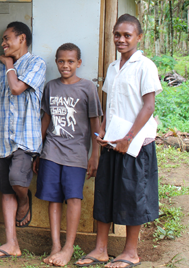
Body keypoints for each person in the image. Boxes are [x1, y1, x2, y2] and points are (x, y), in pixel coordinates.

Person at [75, 14, 162, 268]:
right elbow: (110, 106)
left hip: (134, 144)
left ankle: (130, 252)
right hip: (112, 141)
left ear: (139, 37)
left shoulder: (145, 66)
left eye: (127, 35)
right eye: (117, 34)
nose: (121, 39)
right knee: (105, 192)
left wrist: (128, 138)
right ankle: (101, 249)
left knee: (133, 195)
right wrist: (102, 131)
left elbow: (148, 106)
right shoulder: (114, 68)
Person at [34, 43, 102, 267]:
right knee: (53, 198)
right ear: (56, 62)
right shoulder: (51, 87)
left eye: (71, 61)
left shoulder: (88, 88)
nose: (65, 65)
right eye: (61, 61)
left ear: (79, 63)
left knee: (73, 198)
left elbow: (96, 124)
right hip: (51, 151)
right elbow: (46, 120)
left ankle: (68, 246)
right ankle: (55, 245)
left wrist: (95, 155)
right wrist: (38, 152)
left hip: (76, 154)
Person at [0, 21, 46, 259]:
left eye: (7, 38)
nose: (3, 43)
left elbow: (17, 87)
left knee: (18, 179)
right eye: (2, 40)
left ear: (22, 39)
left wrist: (9, 65)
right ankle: (11, 243)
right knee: (6, 189)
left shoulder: (36, 63)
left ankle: (24, 199)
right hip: (1, 137)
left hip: (25, 136)